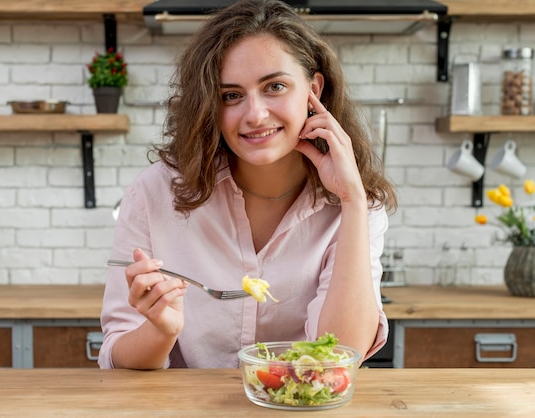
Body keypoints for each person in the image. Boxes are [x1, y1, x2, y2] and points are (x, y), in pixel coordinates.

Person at [99, 0, 397, 370]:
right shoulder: (154, 193)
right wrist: (161, 331)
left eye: (274, 86)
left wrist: (352, 201)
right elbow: (115, 355)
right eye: (231, 95)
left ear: (314, 90)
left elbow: (338, 359)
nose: (254, 115)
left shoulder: (355, 204)